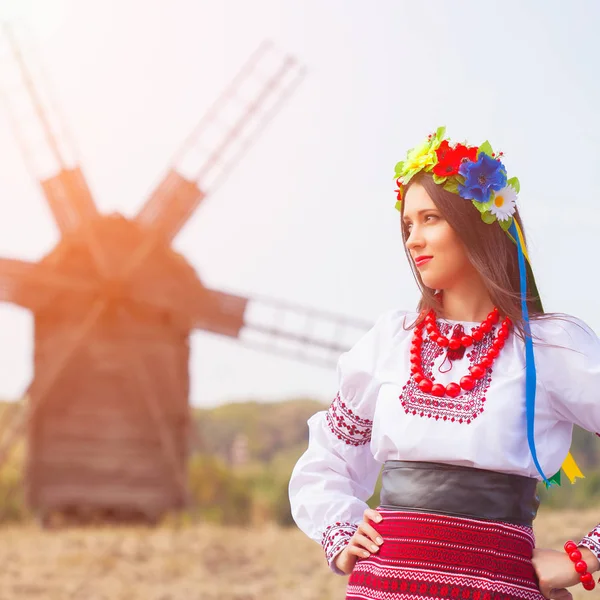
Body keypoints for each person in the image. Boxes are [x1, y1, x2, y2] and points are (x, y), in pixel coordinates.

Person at [288, 127, 600, 600]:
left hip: (497, 585)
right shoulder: (391, 342)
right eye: (407, 226)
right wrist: (340, 527)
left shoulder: (549, 347)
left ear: (478, 222)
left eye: (430, 218)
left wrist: (585, 556)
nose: (413, 240)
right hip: (383, 584)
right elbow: (328, 458)